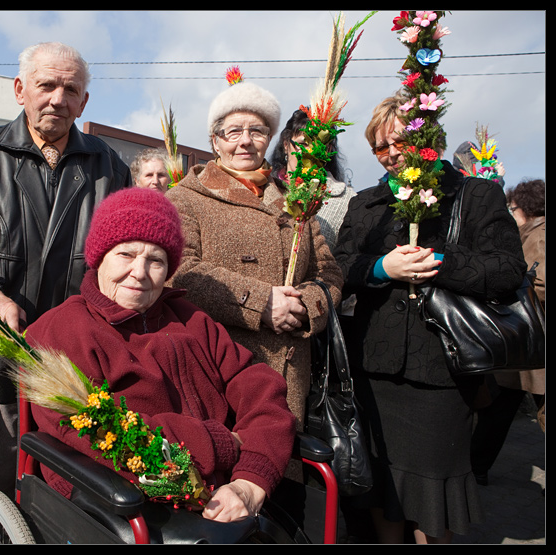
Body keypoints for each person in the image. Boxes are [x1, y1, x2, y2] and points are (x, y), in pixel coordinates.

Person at [7, 187, 296, 523]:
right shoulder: (63, 329)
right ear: (99, 257)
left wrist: (249, 481)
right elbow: (97, 433)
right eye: (126, 255)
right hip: (121, 504)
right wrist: (220, 444)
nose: (140, 273)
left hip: (224, 493)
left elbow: (262, 391)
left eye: (155, 260)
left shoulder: (191, 319)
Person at [0, 41, 131, 497]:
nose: (58, 98)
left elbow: (123, 250)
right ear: (21, 89)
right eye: (47, 85)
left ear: (84, 101)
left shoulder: (109, 166)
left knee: (71, 456)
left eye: (71, 89)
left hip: (77, 340)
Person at [332, 92, 527, 543]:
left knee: (433, 500)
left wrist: (437, 260)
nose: (392, 155)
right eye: (380, 147)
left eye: (401, 141)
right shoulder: (366, 203)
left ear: (429, 140)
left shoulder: (476, 195)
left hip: (442, 371)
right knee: (384, 493)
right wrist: (383, 268)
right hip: (373, 371)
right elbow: (338, 267)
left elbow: (507, 270)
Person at [166, 80, 343, 482]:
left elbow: (329, 273)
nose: (245, 142)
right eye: (233, 132)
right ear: (215, 140)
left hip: (290, 370)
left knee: (279, 482)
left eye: (257, 131)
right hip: (219, 367)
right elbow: (181, 270)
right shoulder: (186, 197)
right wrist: (261, 302)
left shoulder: (298, 199)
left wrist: (304, 307)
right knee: (223, 479)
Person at [470, 178, 546, 484]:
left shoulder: (538, 235)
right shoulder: (533, 232)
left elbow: (540, 282)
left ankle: (476, 469)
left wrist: (512, 284)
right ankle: (477, 468)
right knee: (500, 407)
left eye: (513, 207)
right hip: (526, 341)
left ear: (524, 208)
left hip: (531, 339)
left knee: (502, 407)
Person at [270, 109, 355, 251]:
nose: (310, 153)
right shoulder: (263, 189)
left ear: (328, 151)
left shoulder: (347, 200)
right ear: (286, 145)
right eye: (302, 145)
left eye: (318, 147)